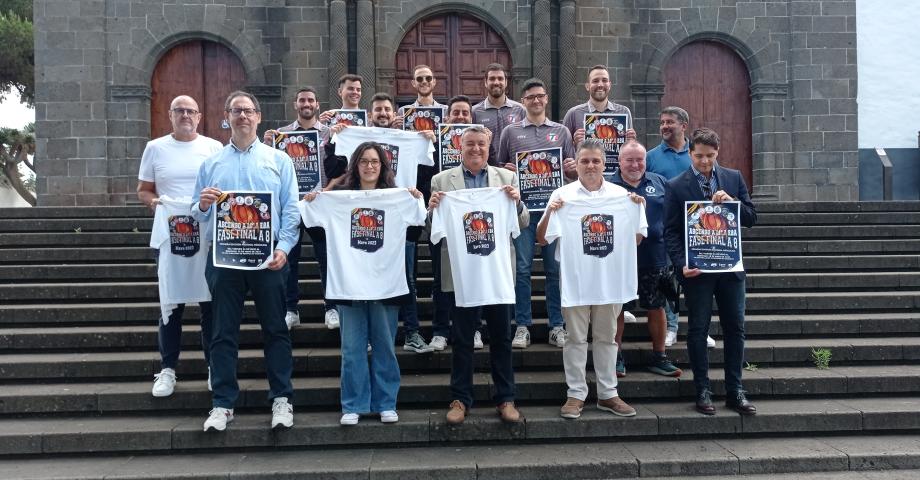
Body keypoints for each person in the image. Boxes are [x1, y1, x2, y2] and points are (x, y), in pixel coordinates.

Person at [193, 91, 298, 431]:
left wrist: (284, 246)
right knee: (223, 332)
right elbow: (198, 215)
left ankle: (281, 399)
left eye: (248, 111)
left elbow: (291, 208)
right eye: (236, 111)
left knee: (275, 329)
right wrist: (204, 206)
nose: (242, 116)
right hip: (224, 259)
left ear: (258, 116)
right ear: (227, 116)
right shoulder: (211, 164)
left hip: (267, 257)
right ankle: (223, 404)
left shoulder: (278, 160)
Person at [300, 141, 426, 426]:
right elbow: (320, 236)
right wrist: (313, 204)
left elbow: (414, 233)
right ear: (355, 165)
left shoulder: (395, 197)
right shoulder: (340, 197)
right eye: (364, 161)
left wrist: (414, 199)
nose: (370, 166)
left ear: (383, 166)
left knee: (384, 346)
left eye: (375, 161)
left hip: (386, 283)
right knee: (352, 349)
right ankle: (353, 404)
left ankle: (385, 402)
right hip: (349, 284)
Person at [536, 139, 646, 419]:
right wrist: (551, 210)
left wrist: (636, 208)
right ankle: (575, 394)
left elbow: (636, 239)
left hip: (610, 280)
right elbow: (541, 238)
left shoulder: (622, 196)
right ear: (577, 163)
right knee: (574, 338)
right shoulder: (563, 194)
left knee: (607, 338)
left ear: (604, 163)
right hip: (576, 280)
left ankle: (608, 394)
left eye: (596, 161)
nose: (590, 166)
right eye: (584, 161)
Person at [428, 125, 529, 425]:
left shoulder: (507, 178)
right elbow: (432, 231)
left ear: (489, 147)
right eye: (469, 144)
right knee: (461, 339)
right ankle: (460, 399)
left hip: (496, 271)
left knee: (501, 338)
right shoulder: (442, 180)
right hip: (461, 273)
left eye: (481, 145)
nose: (475, 149)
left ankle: (506, 398)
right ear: (459, 146)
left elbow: (522, 222)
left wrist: (518, 202)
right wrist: (432, 210)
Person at [663, 127, 757, 416]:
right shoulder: (677, 185)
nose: (705, 162)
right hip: (698, 272)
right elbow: (670, 232)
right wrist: (681, 264)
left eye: (710, 156)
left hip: (730, 269)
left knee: (735, 329)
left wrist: (733, 204)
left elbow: (752, 218)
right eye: (700, 156)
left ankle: (735, 390)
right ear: (690, 152)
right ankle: (702, 389)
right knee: (698, 330)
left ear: (718, 153)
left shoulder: (733, 178)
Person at [137, 95, 222, 398]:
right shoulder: (155, 148)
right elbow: (144, 191)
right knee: (170, 304)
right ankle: (168, 369)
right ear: (170, 115)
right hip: (170, 233)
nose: (185, 115)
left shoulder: (214, 148)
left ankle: (214, 366)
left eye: (190, 111)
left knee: (210, 304)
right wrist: (157, 202)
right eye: (179, 111)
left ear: (199, 116)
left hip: (207, 233)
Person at [496, 78, 576, 349]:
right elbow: (500, 170)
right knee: (522, 269)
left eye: (540, 96)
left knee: (554, 269)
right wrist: (507, 169)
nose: (536, 100)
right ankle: (522, 326)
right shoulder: (510, 132)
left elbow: (572, 172)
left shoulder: (562, 131)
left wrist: (571, 167)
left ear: (546, 98)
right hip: (523, 212)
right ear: (523, 101)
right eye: (530, 97)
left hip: (554, 210)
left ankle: (557, 325)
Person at [610, 141, 682, 378]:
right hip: (619, 259)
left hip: (656, 257)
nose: (635, 164)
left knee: (657, 307)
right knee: (617, 309)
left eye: (639, 159)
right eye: (629, 159)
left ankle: (659, 357)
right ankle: (615, 357)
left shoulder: (660, 182)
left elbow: (674, 216)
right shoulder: (608, 185)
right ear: (619, 161)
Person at [262, 86, 331, 330]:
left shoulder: (329, 134)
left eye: (310, 100)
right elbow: (269, 169)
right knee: (290, 257)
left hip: (319, 204)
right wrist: (266, 144)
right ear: (295, 104)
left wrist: (325, 190)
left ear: (317, 104)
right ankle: (291, 309)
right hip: (290, 204)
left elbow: (338, 168)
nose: (306, 104)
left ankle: (331, 307)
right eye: (302, 100)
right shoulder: (280, 135)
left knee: (326, 256)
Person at [646, 106, 715, 348]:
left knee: (700, 282)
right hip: (667, 229)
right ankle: (672, 327)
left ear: (683, 126)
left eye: (669, 122)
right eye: (662, 122)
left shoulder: (697, 154)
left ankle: (701, 327)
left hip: (699, 228)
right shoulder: (651, 156)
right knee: (668, 281)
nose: (664, 126)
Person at [427, 95, 487, 351]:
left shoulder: (493, 173)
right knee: (442, 280)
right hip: (447, 233)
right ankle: (441, 329)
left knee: (477, 278)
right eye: (456, 113)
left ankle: (474, 328)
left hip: (477, 234)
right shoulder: (439, 173)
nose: (460, 117)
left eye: (465, 113)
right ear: (448, 117)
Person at [562, 64, 637, 149]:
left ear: (609, 85)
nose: (600, 84)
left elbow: (629, 150)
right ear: (587, 86)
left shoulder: (624, 112)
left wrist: (631, 141)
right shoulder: (573, 114)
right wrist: (574, 143)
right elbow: (564, 150)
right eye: (595, 81)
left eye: (604, 80)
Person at [472, 63, 526, 166]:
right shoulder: (475, 112)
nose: (496, 82)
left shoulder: (520, 110)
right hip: (486, 170)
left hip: (515, 170)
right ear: (485, 82)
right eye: (492, 79)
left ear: (506, 82)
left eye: (500, 79)